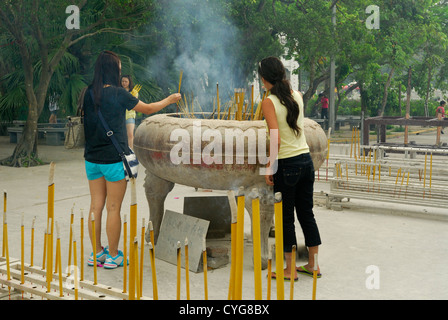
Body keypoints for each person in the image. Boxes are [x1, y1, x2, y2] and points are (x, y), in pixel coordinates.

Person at [83, 51, 181, 269]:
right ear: (112, 69)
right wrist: (170, 99)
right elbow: (147, 109)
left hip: (92, 158)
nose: (120, 70)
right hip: (113, 159)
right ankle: (114, 255)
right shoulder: (119, 93)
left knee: (95, 206)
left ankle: (97, 253)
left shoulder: (88, 92)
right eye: (118, 66)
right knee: (113, 207)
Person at [258, 56, 321, 281]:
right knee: (306, 213)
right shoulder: (297, 95)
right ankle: (313, 264)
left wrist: (269, 166)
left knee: (285, 218)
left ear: (264, 78)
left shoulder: (269, 101)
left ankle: (289, 269)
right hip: (305, 161)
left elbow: (275, 138)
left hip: (287, 165)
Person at [121, 75, 138, 149]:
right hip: (120, 115)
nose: (124, 83)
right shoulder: (119, 90)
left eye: (126, 81)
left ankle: (131, 150)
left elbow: (134, 104)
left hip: (130, 115)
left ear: (129, 82)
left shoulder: (134, 92)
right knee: (121, 134)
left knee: (130, 134)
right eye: (122, 81)